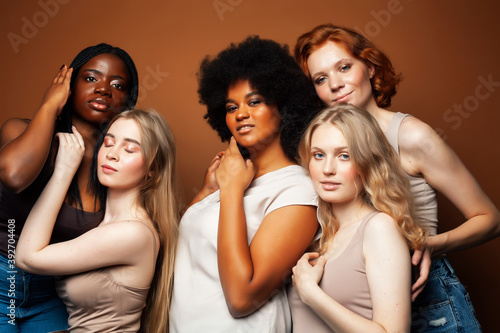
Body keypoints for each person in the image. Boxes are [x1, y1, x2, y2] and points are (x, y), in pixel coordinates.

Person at [294, 23, 500, 332]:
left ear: (371, 67)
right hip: (363, 301)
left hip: (426, 296)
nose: (335, 85)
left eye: (345, 67)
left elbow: (490, 218)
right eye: (321, 79)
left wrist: (431, 244)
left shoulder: (412, 136)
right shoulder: (324, 145)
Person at [169, 35, 321, 332]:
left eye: (255, 101)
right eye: (230, 107)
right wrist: (208, 190)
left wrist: (232, 191)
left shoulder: (298, 189)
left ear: (284, 106)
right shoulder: (230, 176)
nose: (240, 114)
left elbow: (242, 297)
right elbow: (182, 249)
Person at [0, 43, 139, 332]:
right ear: (68, 84)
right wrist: (50, 105)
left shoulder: (114, 169)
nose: (103, 89)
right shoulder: (18, 130)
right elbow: (14, 176)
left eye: (117, 85)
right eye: (91, 78)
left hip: (55, 294)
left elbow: (142, 229)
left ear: (128, 101)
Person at [16, 109, 179, 333]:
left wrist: (63, 171)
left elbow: (27, 257)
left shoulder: (132, 233)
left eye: (129, 149)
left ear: (153, 169)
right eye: (109, 143)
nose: (112, 154)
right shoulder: (102, 224)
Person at [288, 104, 427, 332]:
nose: (328, 169)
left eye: (344, 156)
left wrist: (311, 293)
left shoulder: (379, 228)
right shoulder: (318, 233)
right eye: (318, 155)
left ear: (368, 162)